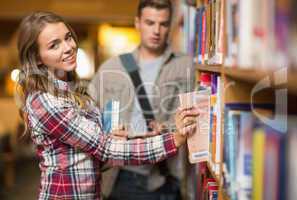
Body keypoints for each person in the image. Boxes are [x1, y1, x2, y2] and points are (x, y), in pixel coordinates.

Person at [16, 11, 198, 200]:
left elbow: (94, 148)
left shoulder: (71, 90)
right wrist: (174, 139)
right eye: (54, 45)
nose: (69, 47)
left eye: (68, 37)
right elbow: (104, 148)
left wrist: (122, 138)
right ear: (37, 57)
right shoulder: (46, 101)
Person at [88, 0, 195, 199]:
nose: (156, 31)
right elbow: (88, 116)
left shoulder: (186, 66)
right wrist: (108, 133)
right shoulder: (112, 67)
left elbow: (199, 117)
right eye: (149, 23)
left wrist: (167, 128)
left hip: (163, 176)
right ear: (137, 23)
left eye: (163, 24)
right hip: (121, 175)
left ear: (169, 25)